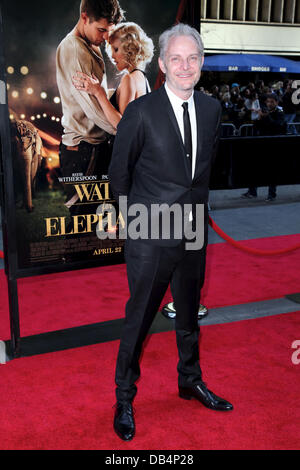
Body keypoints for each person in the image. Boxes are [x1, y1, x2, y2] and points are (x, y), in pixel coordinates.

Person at [109, 23, 233, 442]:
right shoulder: (140, 112)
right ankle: (124, 396)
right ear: (161, 63)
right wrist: (134, 228)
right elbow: (119, 174)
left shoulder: (212, 109)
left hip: (194, 227)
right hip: (149, 231)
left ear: (202, 64)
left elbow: (201, 171)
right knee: (139, 319)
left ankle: (189, 380)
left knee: (188, 314)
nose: (185, 66)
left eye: (193, 58)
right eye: (176, 58)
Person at [56, 0, 124, 215]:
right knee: (83, 225)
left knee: (100, 224)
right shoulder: (75, 49)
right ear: (84, 18)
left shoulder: (90, 44)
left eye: (108, 31)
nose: (105, 37)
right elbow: (94, 111)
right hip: (84, 152)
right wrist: (125, 129)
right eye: (101, 30)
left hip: (93, 148)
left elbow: (97, 95)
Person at [72, 22, 154, 129]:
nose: (112, 56)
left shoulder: (129, 79)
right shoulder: (142, 78)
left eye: (116, 49)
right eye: (111, 50)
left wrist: (98, 92)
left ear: (130, 49)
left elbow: (123, 127)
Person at [241, 94, 286, 202]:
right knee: (255, 167)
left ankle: (272, 194)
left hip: (274, 146)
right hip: (262, 144)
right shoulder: (265, 112)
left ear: (276, 102)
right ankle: (252, 191)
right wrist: (259, 118)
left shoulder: (279, 113)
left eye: (271, 102)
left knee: (272, 171)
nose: (269, 104)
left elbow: (278, 126)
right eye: (268, 102)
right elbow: (257, 127)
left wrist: (266, 117)